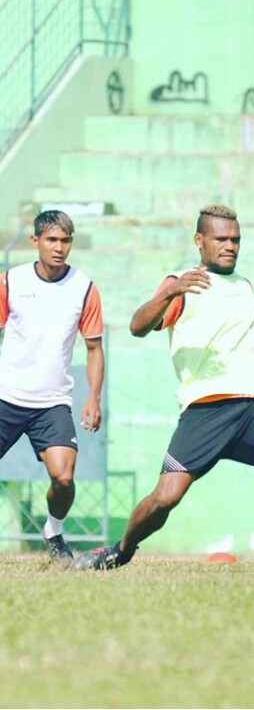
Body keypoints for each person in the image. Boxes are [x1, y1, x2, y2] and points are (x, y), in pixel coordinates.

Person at [71, 205, 254, 572]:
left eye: (236, 239)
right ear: (200, 241)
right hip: (205, 408)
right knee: (166, 498)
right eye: (221, 239)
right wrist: (170, 293)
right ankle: (121, 549)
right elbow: (137, 326)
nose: (230, 246)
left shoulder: (245, 285)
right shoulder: (181, 282)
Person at [0, 210, 104, 562]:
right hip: (6, 396)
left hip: (52, 403)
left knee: (63, 477)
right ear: (36, 242)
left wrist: (93, 397)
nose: (59, 248)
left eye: (65, 241)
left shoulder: (84, 287)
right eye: (51, 240)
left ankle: (54, 532)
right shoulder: (11, 282)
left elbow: (93, 348)